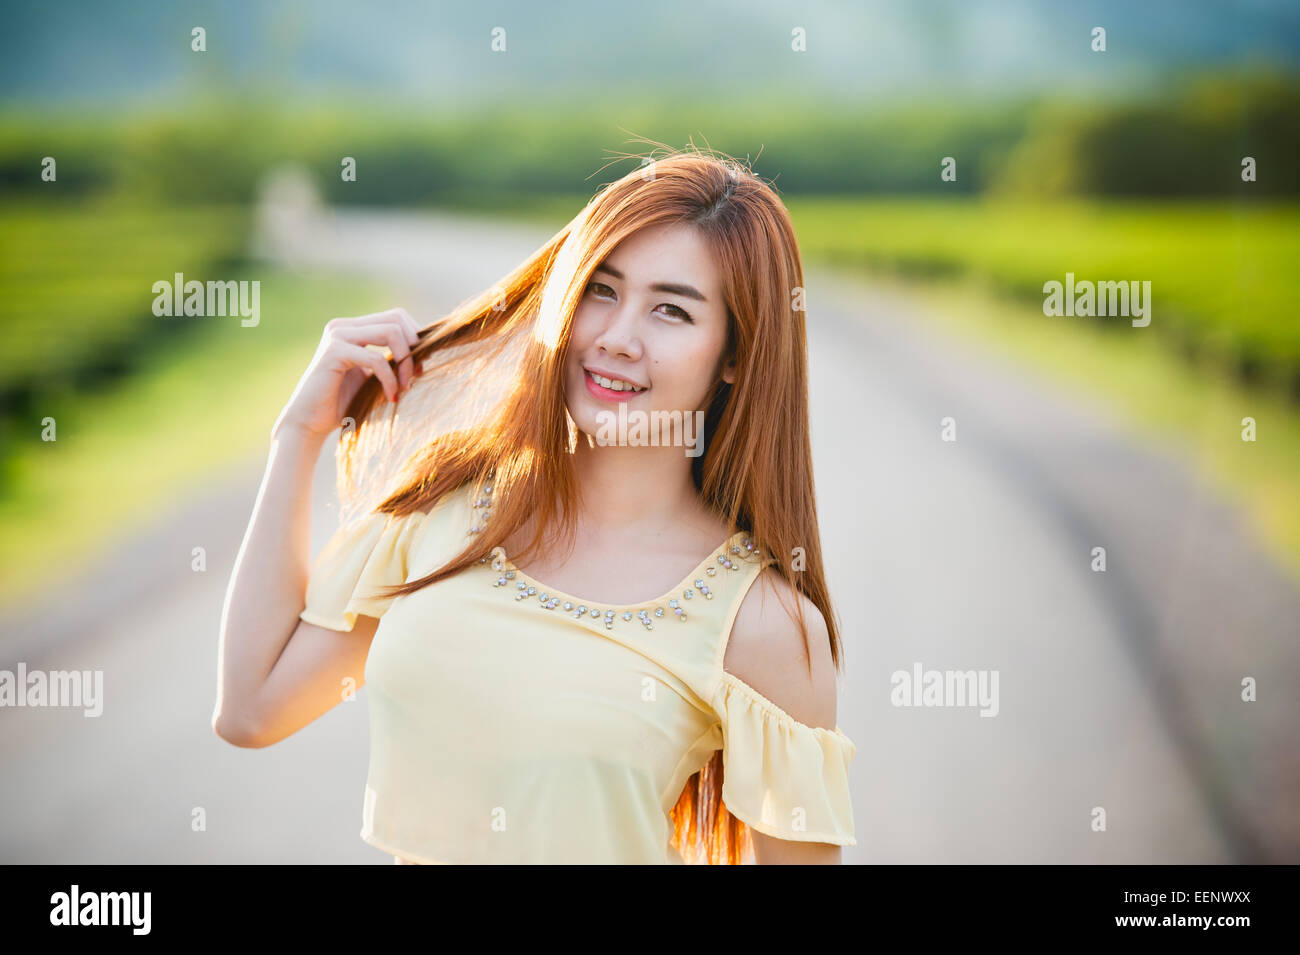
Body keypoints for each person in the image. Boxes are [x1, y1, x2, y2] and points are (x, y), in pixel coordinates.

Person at [213, 147, 857, 864]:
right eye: (601, 289)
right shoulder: (445, 510)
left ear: (736, 354)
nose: (616, 337)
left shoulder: (763, 626)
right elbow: (251, 707)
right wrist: (297, 434)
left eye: (671, 309)